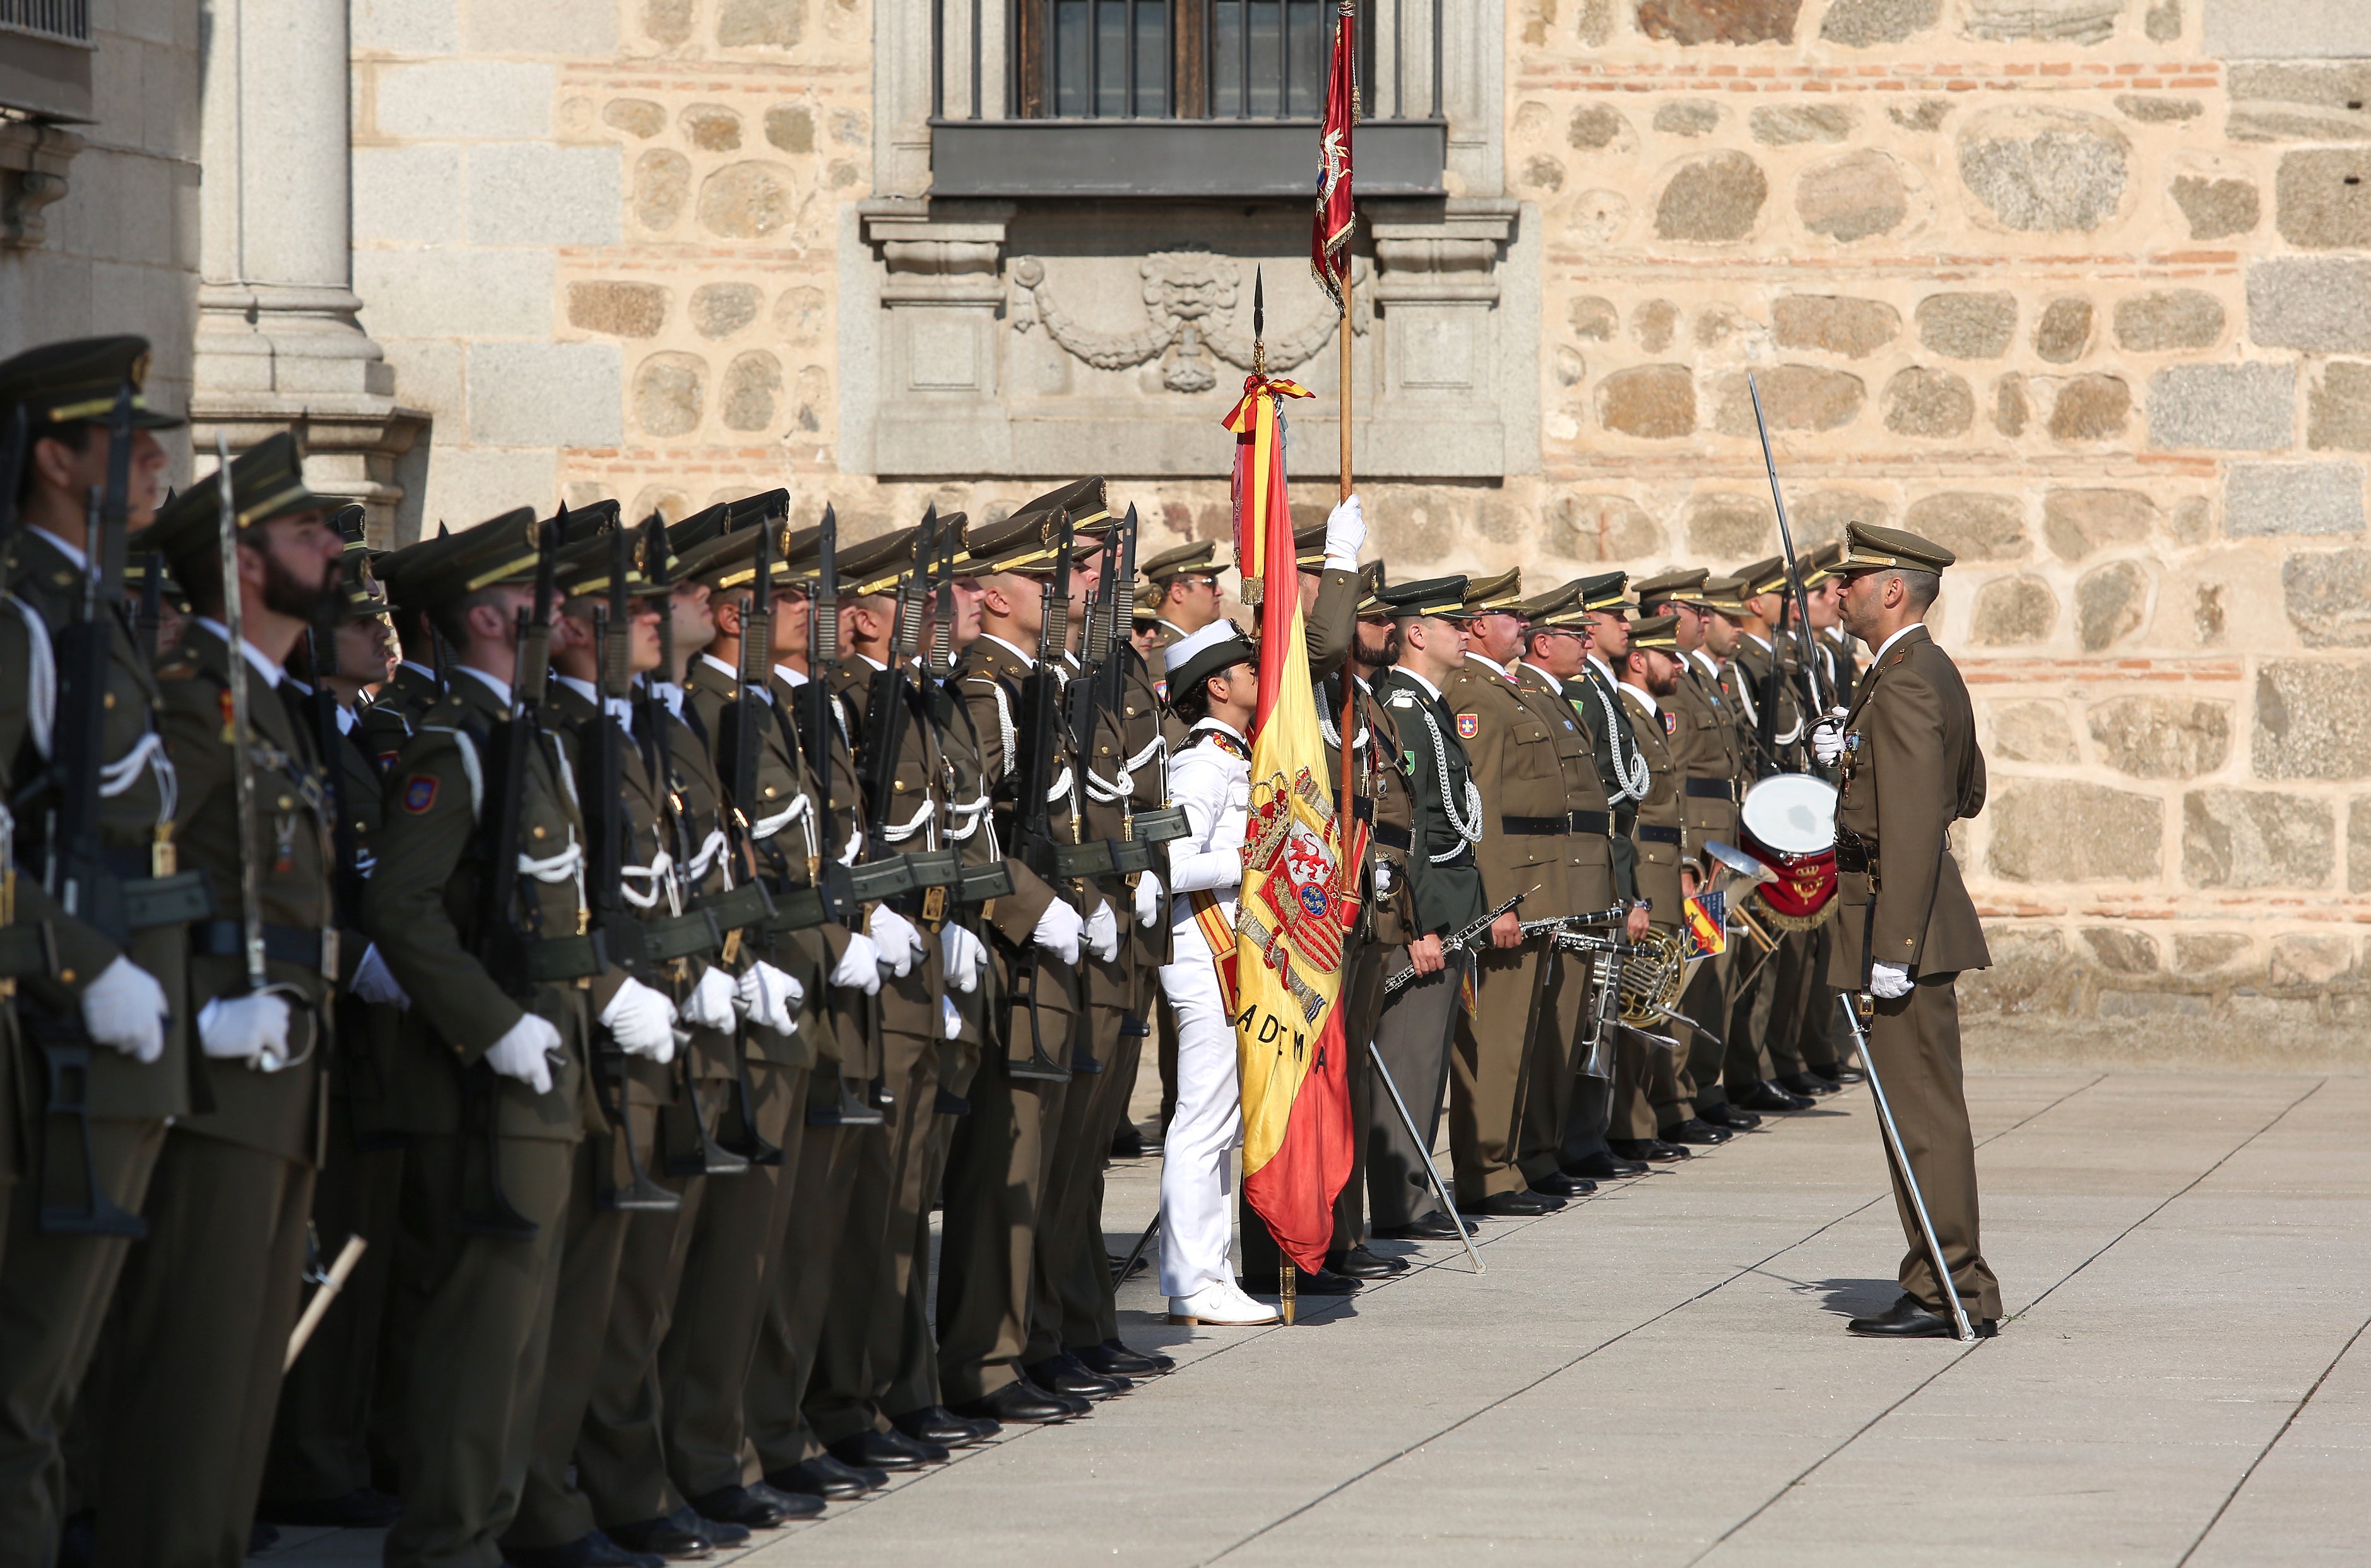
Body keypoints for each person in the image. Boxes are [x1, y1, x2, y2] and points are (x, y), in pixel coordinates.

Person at [83, 433, 343, 1567]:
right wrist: (195, 1010)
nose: (331, 550)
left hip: (280, 1069)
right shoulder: (198, 703)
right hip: (219, 1070)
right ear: (242, 566)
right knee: (194, 1370)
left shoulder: (269, 704)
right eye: (304, 534)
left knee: (246, 1367)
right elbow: (143, 882)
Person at [0, 336, 187, 1568]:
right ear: (57, 457)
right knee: (22, 1384)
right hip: (51, 1028)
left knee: (57, 1378)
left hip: (107, 1031)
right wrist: (82, 963)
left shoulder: (88, 606)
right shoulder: (21, 611)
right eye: (126, 436)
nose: (157, 460)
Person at [1814, 522, 2002, 1340]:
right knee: (1914, 1113)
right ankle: (1936, 1274)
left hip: (1905, 928)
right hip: (1906, 917)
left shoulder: (1906, 681)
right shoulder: (1915, 671)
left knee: (1920, 1115)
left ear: (1893, 589)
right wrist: (1852, 755)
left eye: (1852, 580)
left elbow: (1922, 822)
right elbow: (1970, 787)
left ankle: (1952, 1286)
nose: (1839, 593)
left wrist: (1890, 952)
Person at [1153, 618, 1276, 1328]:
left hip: (1228, 951)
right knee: (1202, 1121)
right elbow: (1168, 864)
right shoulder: (1203, 762)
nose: (1261, 683)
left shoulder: (1234, 754)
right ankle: (1189, 1278)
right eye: (1249, 672)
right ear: (1218, 686)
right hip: (1203, 953)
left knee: (1221, 1122)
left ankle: (1210, 1270)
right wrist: (1247, 861)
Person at [1367, 577, 1486, 1242]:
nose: (1466, 634)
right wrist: (1419, 926)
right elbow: (1404, 833)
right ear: (1417, 633)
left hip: (1446, 907)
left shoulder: (1430, 707)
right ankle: (1399, 1201)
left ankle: (1412, 1191)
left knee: (1426, 1063)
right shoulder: (1405, 710)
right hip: (1422, 915)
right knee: (1408, 1062)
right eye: (1454, 625)